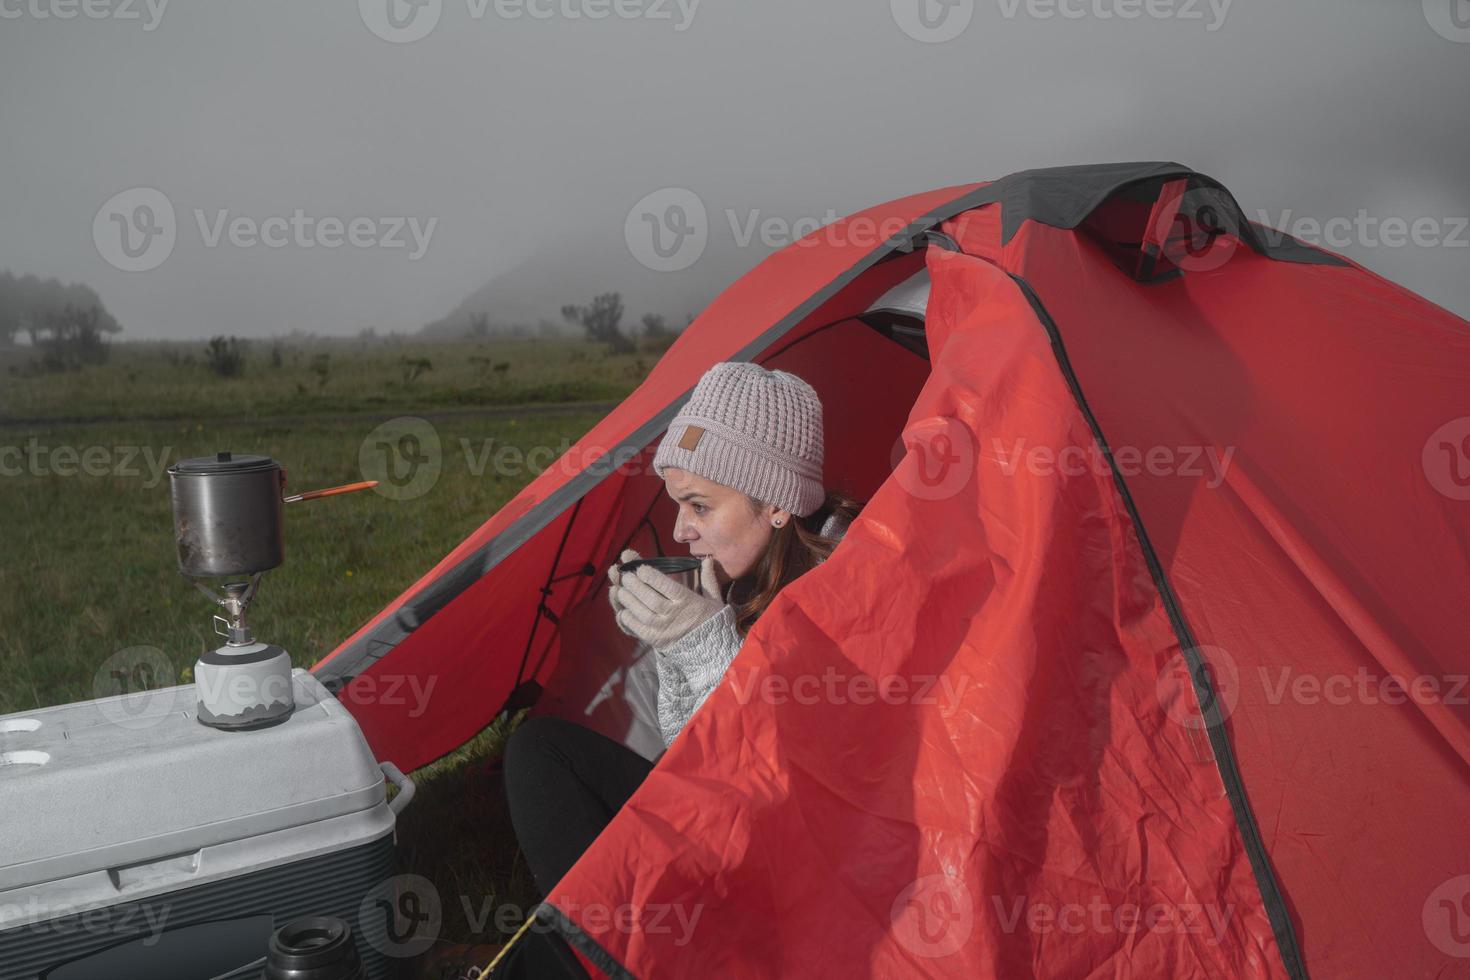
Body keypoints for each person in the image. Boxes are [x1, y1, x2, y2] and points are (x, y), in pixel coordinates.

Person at [491, 361, 862, 978]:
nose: (680, 530)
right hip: (728, 815)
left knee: (551, 954)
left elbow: (791, 793)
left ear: (773, 503)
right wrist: (674, 646)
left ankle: (588, 957)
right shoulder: (746, 573)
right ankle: (592, 953)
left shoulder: (848, 582)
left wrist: (707, 646)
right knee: (542, 750)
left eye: (699, 506)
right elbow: (687, 761)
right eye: (677, 504)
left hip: (803, 865)